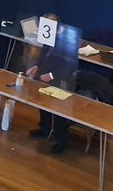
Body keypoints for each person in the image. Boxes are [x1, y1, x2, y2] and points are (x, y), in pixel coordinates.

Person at [26, 14, 82, 154]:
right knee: (43, 103)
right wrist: (37, 66)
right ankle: (44, 128)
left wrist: (51, 75)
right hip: (45, 76)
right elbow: (44, 53)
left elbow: (70, 65)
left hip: (61, 80)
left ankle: (61, 139)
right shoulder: (48, 34)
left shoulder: (68, 39)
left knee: (58, 109)